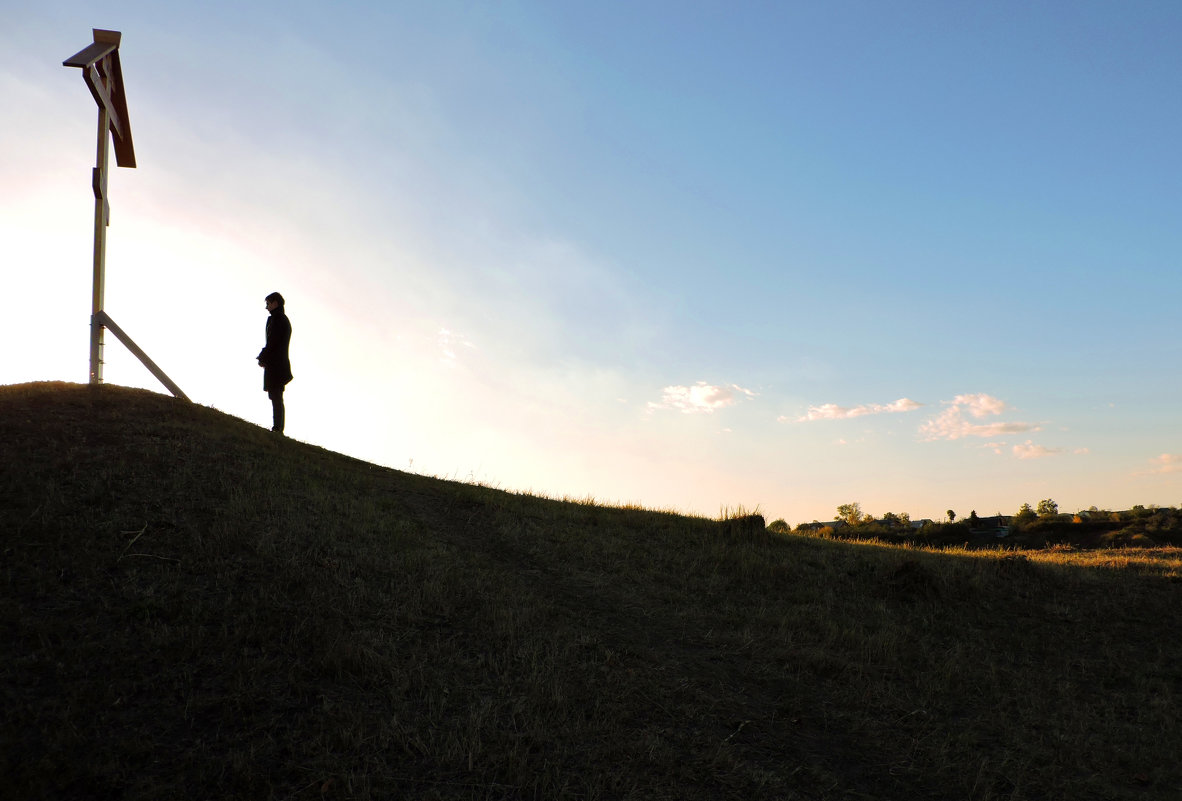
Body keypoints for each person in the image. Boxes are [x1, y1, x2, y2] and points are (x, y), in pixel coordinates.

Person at [257, 292, 293, 434]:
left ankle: (278, 428)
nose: (266, 307)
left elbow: (273, 341)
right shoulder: (279, 319)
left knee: (276, 395)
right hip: (277, 363)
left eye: (268, 303)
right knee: (275, 395)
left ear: (275, 303)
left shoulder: (278, 319)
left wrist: (263, 356)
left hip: (277, 364)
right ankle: (277, 427)